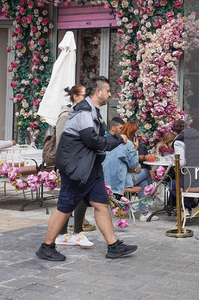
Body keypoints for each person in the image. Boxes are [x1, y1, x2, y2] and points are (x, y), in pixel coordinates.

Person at [36, 76, 137, 261]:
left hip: (90, 169)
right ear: (98, 92)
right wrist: (119, 139)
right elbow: (92, 140)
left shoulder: (93, 111)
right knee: (64, 208)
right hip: (77, 170)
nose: (109, 94)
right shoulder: (84, 112)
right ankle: (46, 246)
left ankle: (113, 246)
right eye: (107, 91)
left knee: (101, 205)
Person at [55, 85, 95, 248]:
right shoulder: (66, 116)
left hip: (80, 162)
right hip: (70, 163)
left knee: (77, 197)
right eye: (84, 95)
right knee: (70, 198)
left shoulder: (83, 114)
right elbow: (61, 142)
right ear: (76, 97)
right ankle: (66, 233)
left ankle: (71, 232)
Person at [103, 121, 158, 222]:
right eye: (136, 133)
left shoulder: (109, 141)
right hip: (120, 181)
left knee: (143, 182)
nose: (137, 136)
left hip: (106, 180)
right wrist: (135, 149)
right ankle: (150, 197)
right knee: (146, 173)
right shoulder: (128, 144)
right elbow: (133, 165)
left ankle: (145, 211)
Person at [171, 119, 199, 219]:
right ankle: (190, 208)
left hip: (195, 176)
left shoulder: (179, 141)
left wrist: (174, 163)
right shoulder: (198, 136)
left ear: (174, 132)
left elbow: (180, 162)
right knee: (185, 180)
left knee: (172, 185)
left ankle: (191, 207)